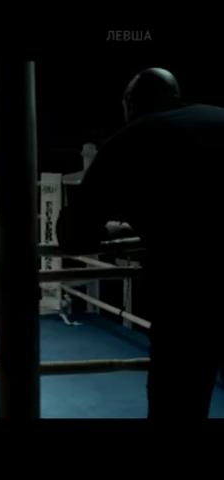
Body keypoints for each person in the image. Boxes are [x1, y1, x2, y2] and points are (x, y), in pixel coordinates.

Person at [57, 67, 224, 418]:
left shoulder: (131, 139)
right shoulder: (218, 117)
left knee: (178, 406)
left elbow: (72, 235)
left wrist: (115, 229)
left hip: (188, 296)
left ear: (130, 104)